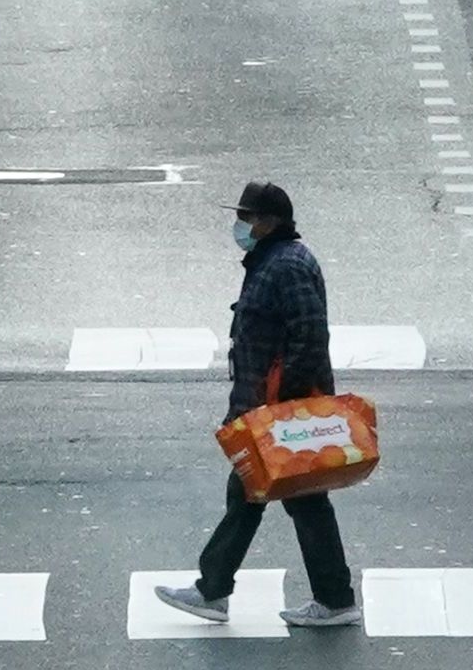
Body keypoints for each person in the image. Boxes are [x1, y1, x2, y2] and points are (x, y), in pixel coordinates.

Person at [154, 182, 362, 628]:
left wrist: (281, 412)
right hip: (269, 409)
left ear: (270, 222)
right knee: (258, 494)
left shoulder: (285, 266)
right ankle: (219, 589)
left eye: (247, 218)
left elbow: (309, 336)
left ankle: (322, 598)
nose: (241, 226)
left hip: (280, 412)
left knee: (291, 499)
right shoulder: (273, 260)